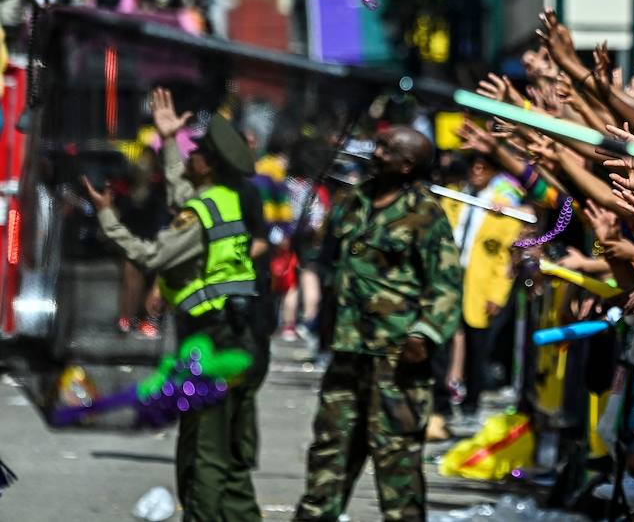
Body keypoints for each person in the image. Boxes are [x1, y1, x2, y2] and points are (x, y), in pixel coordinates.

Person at [84, 112, 263, 521]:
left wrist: (107, 216)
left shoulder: (200, 212)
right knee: (231, 451)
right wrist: (168, 141)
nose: (191, 156)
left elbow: (150, 255)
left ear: (210, 164)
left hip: (212, 339)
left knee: (204, 452)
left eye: (196, 152)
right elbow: (183, 197)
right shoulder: (226, 198)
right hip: (239, 336)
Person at [294, 126, 461, 522]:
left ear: (407, 165)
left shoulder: (426, 215)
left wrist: (426, 332)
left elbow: (447, 285)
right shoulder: (354, 200)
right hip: (349, 351)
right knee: (329, 452)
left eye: (387, 150)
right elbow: (331, 254)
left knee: (396, 462)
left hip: (397, 359)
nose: (376, 153)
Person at [447, 150, 524, 430]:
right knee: (444, 341)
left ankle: (471, 402)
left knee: (477, 346)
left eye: (484, 166)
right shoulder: (455, 198)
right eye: (474, 166)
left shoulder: (503, 206)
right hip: (450, 280)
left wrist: (497, 294)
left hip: (479, 286)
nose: (477, 171)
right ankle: (442, 401)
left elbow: (504, 257)